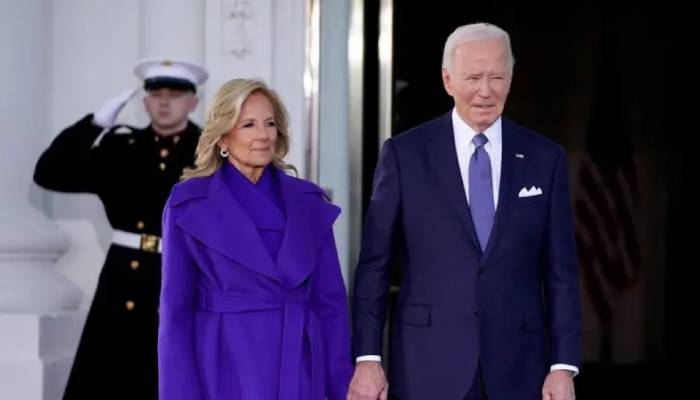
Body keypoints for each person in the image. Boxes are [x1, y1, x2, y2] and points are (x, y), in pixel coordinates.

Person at [348, 23, 581, 400]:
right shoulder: (405, 155)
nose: (485, 90)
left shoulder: (544, 158)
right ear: (447, 80)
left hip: (520, 366)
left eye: (496, 77)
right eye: (473, 77)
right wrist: (368, 358)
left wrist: (562, 366)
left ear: (511, 78)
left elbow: (561, 272)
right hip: (427, 362)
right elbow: (375, 263)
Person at [158, 78, 352, 399]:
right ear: (222, 136)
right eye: (248, 124)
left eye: (270, 123)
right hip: (224, 363)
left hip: (300, 362)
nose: (263, 135)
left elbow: (330, 304)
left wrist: (342, 383)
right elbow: (175, 312)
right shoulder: (189, 203)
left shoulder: (308, 202)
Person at [33, 58, 208, 400]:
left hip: (184, 274)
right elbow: (49, 172)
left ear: (193, 102)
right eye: (156, 93)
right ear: (145, 102)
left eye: (175, 94)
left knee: (176, 376)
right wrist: (94, 124)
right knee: (110, 377)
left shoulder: (209, 152)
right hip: (122, 278)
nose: (164, 101)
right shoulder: (122, 147)